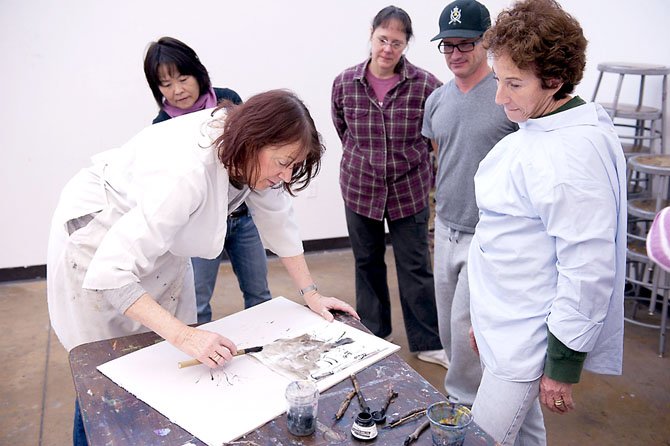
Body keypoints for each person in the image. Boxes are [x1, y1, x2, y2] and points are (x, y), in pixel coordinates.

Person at [46, 89, 359, 445]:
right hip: (98, 241)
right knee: (104, 372)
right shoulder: (188, 171)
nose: (285, 176)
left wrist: (311, 294)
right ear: (256, 141)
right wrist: (185, 335)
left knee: (162, 364)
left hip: (158, 243)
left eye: (293, 166)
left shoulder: (251, 153)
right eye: (283, 163)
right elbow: (111, 273)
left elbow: (279, 220)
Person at [467, 0, 627, 444]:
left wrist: (562, 364)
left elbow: (588, 268)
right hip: (504, 319)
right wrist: (484, 315)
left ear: (555, 80)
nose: (500, 97)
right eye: (499, 80)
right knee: (523, 436)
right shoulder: (541, 127)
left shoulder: (573, 156)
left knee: (482, 438)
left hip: (526, 336)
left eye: (514, 84)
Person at [331, 5, 446, 367]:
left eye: (397, 43)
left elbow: (437, 136)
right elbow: (342, 129)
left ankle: (428, 341)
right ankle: (374, 335)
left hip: (408, 191)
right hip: (359, 188)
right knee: (367, 262)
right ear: (371, 35)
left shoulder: (427, 85)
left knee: (415, 267)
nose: (387, 49)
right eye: (383, 39)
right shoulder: (345, 83)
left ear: (406, 45)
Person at [422, 0, 518, 406]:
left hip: (488, 232)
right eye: (447, 46)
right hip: (445, 227)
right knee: (447, 327)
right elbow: (440, 154)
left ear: (486, 44)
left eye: (465, 44)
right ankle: (466, 397)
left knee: (465, 329)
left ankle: (462, 409)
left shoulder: (504, 96)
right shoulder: (437, 100)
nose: (455, 54)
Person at [144, 36, 271, 323]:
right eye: (166, 84)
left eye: (183, 78)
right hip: (198, 225)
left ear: (198, 72)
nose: (177, 90)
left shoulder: (229, 101)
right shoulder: (162, 127)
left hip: (243, 217)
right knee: (197, 303)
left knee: (260, 295)